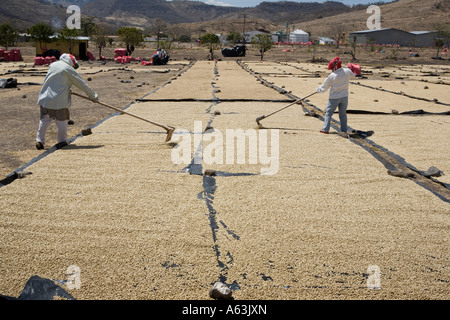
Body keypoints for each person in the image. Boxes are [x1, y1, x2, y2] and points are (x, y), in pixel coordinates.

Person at [35, 53, 98, 150]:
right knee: (62, 122)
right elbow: (81, 84)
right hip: (59, 101)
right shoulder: (68, 69)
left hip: (45, 98)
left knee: (44, 120)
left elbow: (56, 81)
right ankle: (62, 141)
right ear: (71, 62)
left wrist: (66, 89)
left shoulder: (53, 65)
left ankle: (39, 141)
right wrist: (93, 96)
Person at [316, 56, 355, 134]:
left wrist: (318, 90)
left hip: (334, 98)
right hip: (344, 97)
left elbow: (324, 88)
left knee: (328, 113)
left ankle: (325, 129)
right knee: (343, 114)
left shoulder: (332, 76)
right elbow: (353, 76)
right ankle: (344, 130)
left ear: (334, 67)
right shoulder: (347, 71)